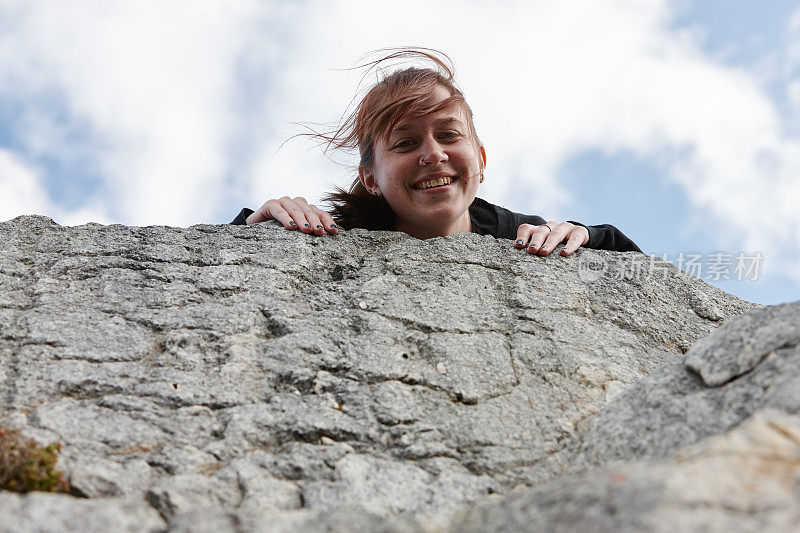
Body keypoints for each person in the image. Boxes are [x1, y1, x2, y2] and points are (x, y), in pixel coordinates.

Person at [232, 50, 641, 255]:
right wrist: (254, 224)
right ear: (370, 179)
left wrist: (584, 236)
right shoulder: (329, 238)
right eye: (406, 143)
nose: (433, 154)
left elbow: (639, 269)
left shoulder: (520, 238)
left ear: (480, 158)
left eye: (448, 135)